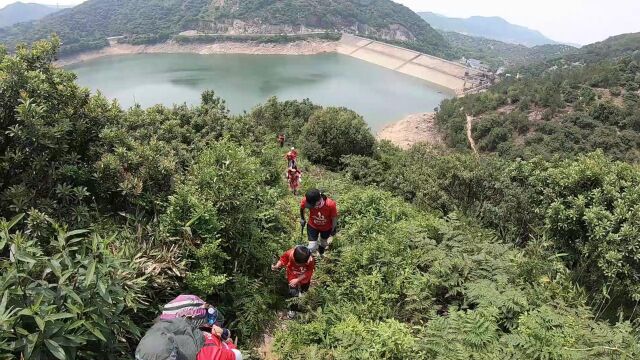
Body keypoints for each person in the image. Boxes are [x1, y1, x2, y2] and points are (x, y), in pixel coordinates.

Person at [272, 245, 315, 319]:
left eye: (301, 264)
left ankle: (302, 297)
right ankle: (293, 310)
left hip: (304, 278)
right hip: (292, 275)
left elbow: (309, 271)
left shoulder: (310, 260)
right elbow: (283, 260)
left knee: (304, 290)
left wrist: (298, 279)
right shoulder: (289, 254)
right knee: (293, 293)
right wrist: (276, 266)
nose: (298, 265)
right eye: (297, 263)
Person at [299, 189, 338, 257]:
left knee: (323, 243)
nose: (310, 206)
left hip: (326, 228)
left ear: (318, 201)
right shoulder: (307, 200)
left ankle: (321, 252)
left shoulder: (330, 204)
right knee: (312, 246)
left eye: (311, 205)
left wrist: (333, 228)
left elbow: (334, 218)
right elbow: (302, 208)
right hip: (312, 226)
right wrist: (302, 218)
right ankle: (304, 256)